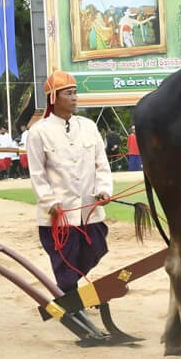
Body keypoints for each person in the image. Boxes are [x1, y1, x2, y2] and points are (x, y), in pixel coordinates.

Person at [26, 71, 112, 297]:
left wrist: (104, 189)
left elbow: (101, 163)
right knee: (64, 260)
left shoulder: (88, 126)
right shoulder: (38, 132)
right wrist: (49, 202)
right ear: (53, 98)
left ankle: (67, 292)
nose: (74, 98)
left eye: (75, 93)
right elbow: (37, 173)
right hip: (59, 213)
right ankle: (71, 299)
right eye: (68, 93)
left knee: (97, 249)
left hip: (88, 209)